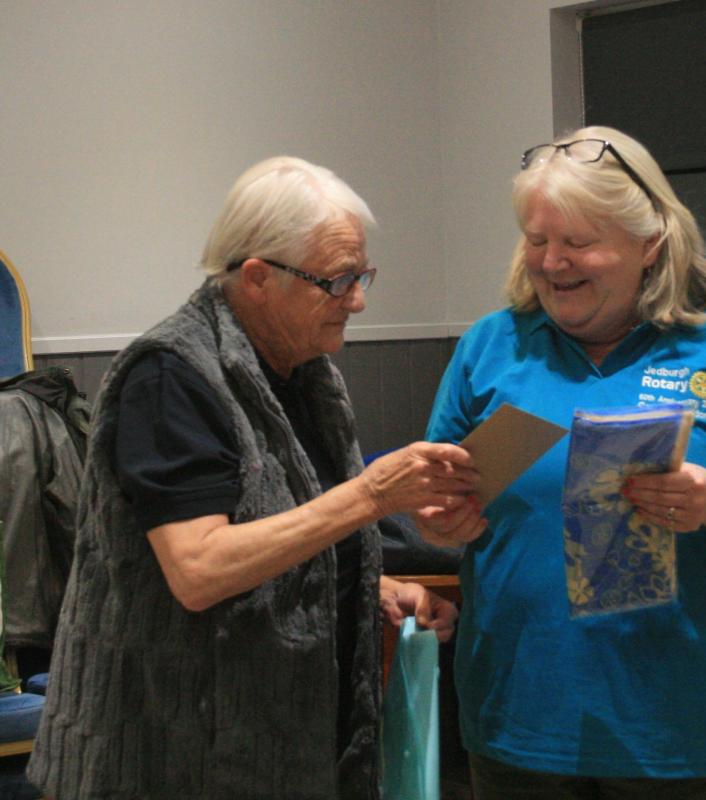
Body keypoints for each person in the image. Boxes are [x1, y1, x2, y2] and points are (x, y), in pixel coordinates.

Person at [27, 156, 479, 800]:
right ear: (259, 277)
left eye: (362, 274)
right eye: (338, 280)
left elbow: (274, 532)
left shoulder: (303, 368)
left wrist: (367, 585)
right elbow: (200, 569)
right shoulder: (170, 376)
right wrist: (371, 496)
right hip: (167, 757)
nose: (358, 299)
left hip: (276, 749)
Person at [416, 126, 706, 799]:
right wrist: (439, 520)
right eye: (537, 239)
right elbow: (439, 503)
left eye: (578, 242)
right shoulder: (490, 347)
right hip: (517, 722)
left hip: (672, 732)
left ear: (650, 243)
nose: (552, 263)